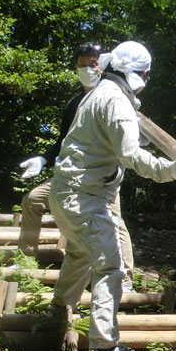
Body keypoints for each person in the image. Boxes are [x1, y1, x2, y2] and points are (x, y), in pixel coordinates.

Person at [47, 41, 176, 351]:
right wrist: (169, 170)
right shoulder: (116, 100)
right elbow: (130, 155)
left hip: (65, 194)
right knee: (111, 268)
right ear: (142, 73)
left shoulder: (99, 92)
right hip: (85, 198)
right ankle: (104, 348)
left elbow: (111, 136)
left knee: (79, 255)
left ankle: (56, 315)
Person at [18, 43, 135, 279]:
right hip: (70, 177)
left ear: (101, 66)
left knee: (114, 219)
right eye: (82, 65)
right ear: (75, 66)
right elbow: (63, 141)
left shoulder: (112, 97)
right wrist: (43, 159)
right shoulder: (74, 104)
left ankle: (126, 276)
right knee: (32, 200)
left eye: (93, 64)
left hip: (101, 178)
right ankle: (26, 258)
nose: (88, 69)